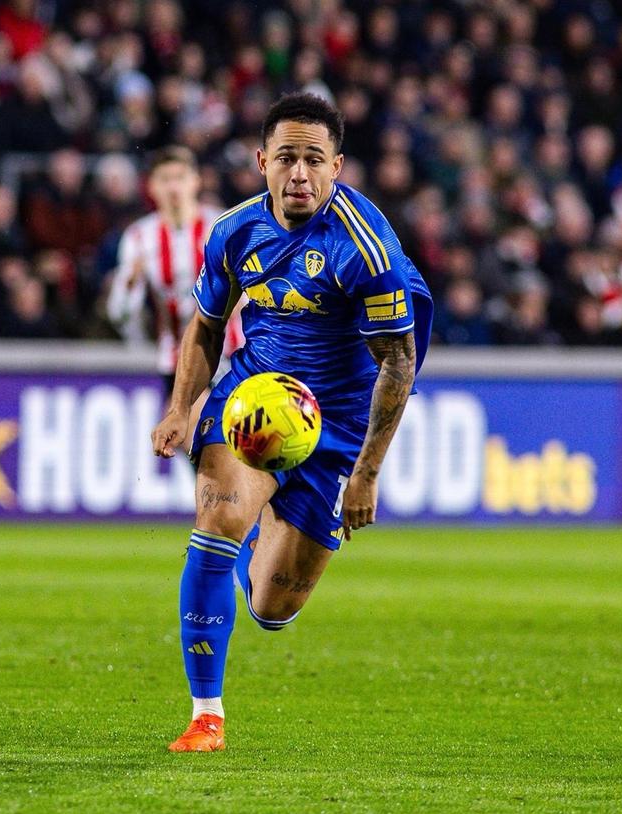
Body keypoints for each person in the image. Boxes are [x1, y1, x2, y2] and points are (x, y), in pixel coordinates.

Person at [151, 94, 433, 752]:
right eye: (285, 158)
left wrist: (366, 474)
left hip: (337, 423)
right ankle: (206, 716)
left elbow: (398, 362)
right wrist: (180, 407)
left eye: (313, 159)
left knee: (273, 609)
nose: (298, 173)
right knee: (215, 524)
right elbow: (207, 325)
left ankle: (262, 533)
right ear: (262, 162)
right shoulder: (234, 232)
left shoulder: (365, 248)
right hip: (255, 397)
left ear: (337, 166)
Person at [107, 145, 243, 399]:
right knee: (189, 420)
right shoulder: (139, 237)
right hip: (177, 359)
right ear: (151, 186)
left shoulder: (224, 226)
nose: (173, 187)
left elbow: (253, 292)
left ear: (195, 181)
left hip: (233, 353)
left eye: (180, 178)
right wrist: (129, 284)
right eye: (165, 179)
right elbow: (120, 312)